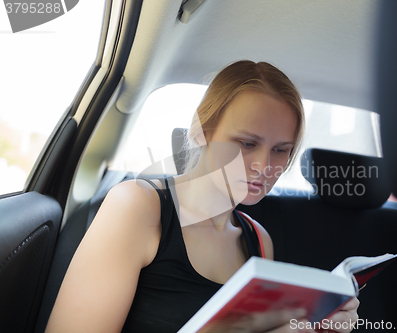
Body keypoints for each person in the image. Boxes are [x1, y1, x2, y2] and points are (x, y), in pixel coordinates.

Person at [46, 60, 359, 333]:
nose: (264, 166)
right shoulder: (137, 207)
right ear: (201, 131)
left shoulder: (259, 241)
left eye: (280, 150)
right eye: (247, 143)